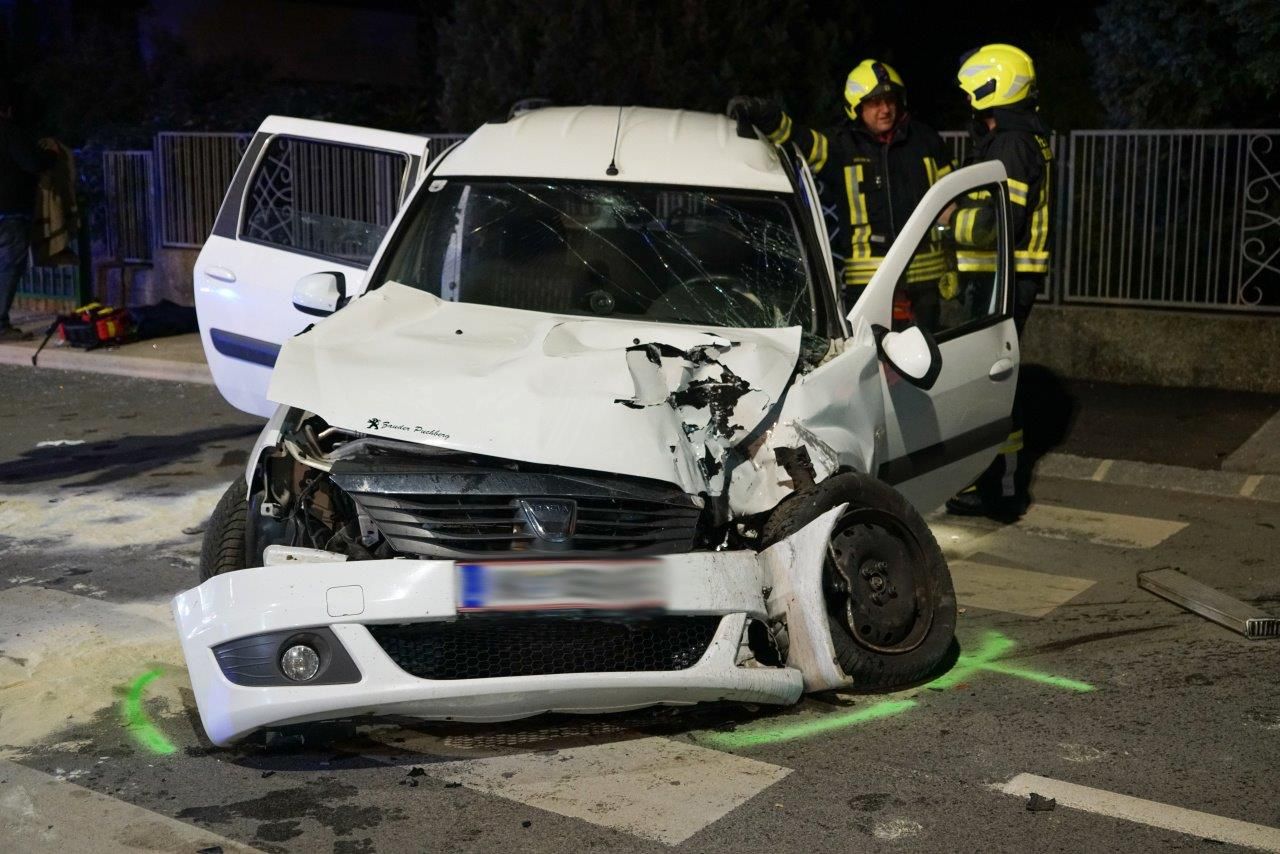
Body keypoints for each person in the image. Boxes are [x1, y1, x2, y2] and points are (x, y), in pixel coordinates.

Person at [728, 60, 954, 325]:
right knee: (872, 358)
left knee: (927, 356)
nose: (885, 109)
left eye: (890, 100)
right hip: (871, 283)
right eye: (874, 102)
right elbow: (797, 139)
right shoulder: (841, 147)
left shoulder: (926, 141)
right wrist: (766, 114)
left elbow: (950, 201)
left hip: (925, 285)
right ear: (856, 107)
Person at [944, 43, 1054, 522]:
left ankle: (997, 489)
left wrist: (948, 220)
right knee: (992, 383)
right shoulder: (1019, 138)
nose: (969, 103)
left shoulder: (1011, 143)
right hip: (1005, 281)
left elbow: (997, 225)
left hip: (1003, 282)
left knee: (988, 385)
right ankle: (994, 483)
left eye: (972, 93)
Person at [0, 81, 57, 341]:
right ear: (8, 109)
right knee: (10, 265)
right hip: (10, 210)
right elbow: (32, 162)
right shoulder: (9, 132)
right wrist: (51, 155)